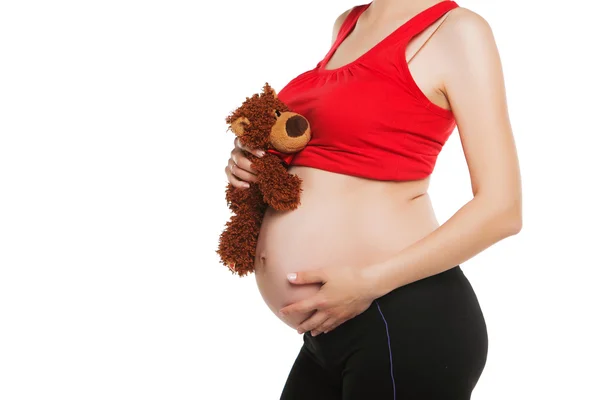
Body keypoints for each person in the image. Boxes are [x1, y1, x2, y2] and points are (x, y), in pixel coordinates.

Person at [224, 0, 522, 398]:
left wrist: (366, 283)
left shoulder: (457, 30)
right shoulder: (348, 23)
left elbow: (502, 209)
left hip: (401, 316)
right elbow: (332, 148)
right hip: (327, 333)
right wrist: (252, 162)